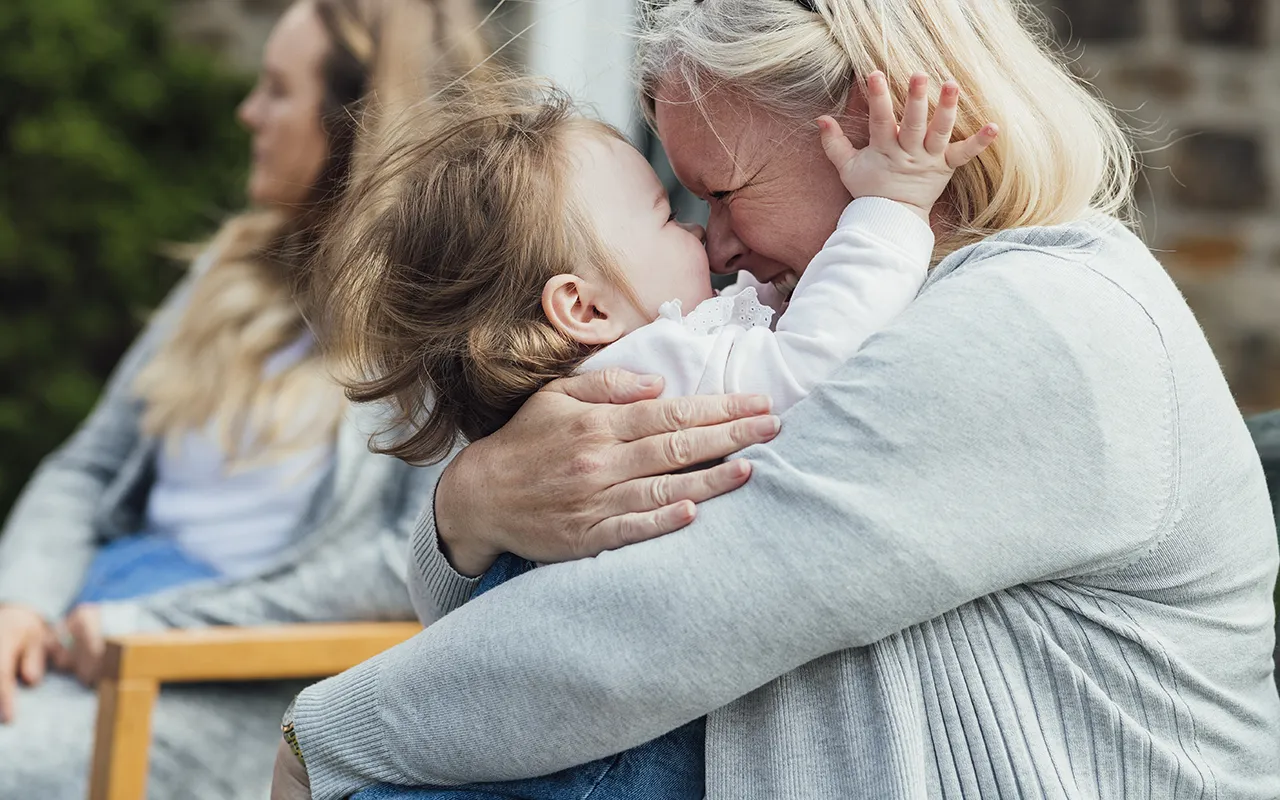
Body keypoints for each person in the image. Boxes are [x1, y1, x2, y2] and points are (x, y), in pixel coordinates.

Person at [275, 1, 1280, 798]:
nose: (711, 245)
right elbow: (527, 595)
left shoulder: (1044, 321)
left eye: (719, 190)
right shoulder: (819, 320)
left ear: (870, 125)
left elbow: (654, 627)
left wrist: (327, 737)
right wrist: (471, 507)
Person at [304, 72, 993, 800]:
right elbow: (813, 362)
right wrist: (889, 209)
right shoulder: (644, 369)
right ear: (583, 307)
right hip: (609, 766)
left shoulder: (638, 359)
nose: (708, 237)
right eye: (670, 217)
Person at [0, 0, 491, 797]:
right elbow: (86, 468)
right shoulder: (228, 269)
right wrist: (19, 602)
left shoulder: (438, 328)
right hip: (85, 634)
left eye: (275, 89)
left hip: (216, 684)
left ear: (351, 126)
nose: (246, 111)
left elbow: (399, 563)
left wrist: (150, 629)